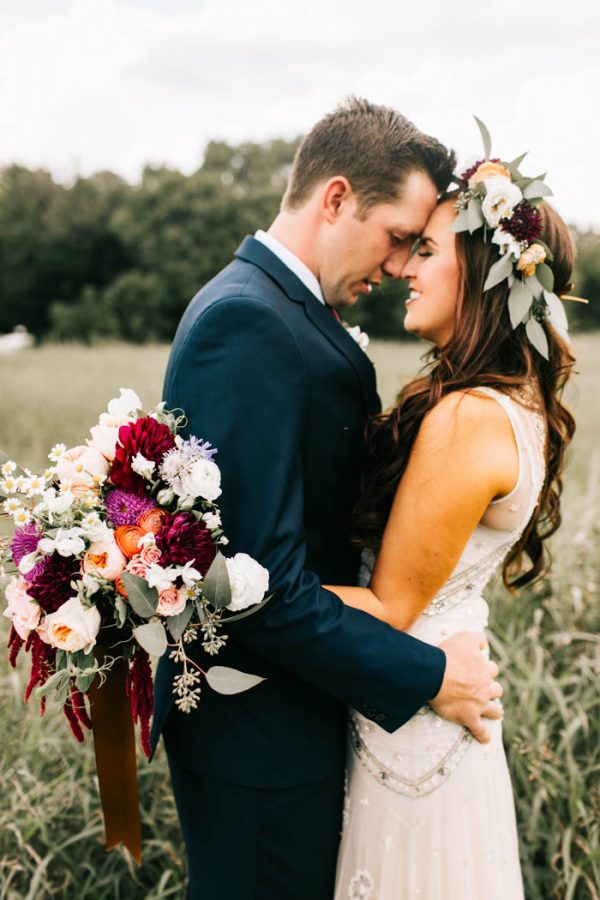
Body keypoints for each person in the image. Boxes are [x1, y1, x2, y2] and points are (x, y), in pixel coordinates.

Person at [150, 99, 503, 900]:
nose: (399, 265)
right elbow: (254, 589)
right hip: (258, 743)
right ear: (337, 197)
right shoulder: (247, 320)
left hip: (288, 726)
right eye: (398, 238)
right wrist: (427, 675)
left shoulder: (287, 311)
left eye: (420, 247)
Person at [331, 156, 576, 898]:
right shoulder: (515, 404)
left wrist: (219, 577)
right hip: (426, 720)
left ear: (486, 275)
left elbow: (390, 608)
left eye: (428, 251)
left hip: (413, 740)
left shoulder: (469, 416)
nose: (404, 266)